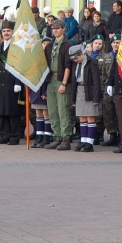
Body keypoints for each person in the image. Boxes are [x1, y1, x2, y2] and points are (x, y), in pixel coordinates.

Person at [0, 20, 26, 145]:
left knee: (13, 111)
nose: (6, 33)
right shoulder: (1, 46)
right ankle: (4, 135)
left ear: (13, 32)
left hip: (12, 82)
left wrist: (18, 82)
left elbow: (20, 65)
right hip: (1, 82)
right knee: (2, 110)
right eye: (4, 31)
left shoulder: (17, 46)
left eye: (8, 31)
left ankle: (15, 136)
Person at [43, 21, 74, 150]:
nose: (55, 30)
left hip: (61, 79)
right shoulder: (50, 45)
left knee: (63, 110)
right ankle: (57, 137)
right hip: (51, 79)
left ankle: (65, 138)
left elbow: (68, 66)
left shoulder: (67, 45)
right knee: (52, 110)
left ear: (63, 29)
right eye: (53, 28)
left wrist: (64, 83)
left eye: (58, 28)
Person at [69, 43, 102, 152]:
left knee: (90, 117)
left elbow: (96, 81)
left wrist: (96, 98)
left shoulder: (92, 62)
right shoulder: (75, 63)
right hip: (79, 89)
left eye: (76, 58)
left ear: (81, 54)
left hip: (89, 91)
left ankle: (89, 143)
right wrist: (73, 99)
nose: (75, 60)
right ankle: (83, 141)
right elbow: (74, 81)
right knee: (82, 117)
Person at [30, 37, 53, 148]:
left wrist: (46, 92)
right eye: (43, 44)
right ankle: (39, 135)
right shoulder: (37, 59)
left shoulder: (50, 60)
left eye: (47, 44)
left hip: (45, 88)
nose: (45, 46)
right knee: (38, 112)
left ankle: (47, 136)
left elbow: (50, 78)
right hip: (36, 89)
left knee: (45, 113)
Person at [97, 35, 119, 146]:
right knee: (108, 113)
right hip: (107, 89)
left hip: (119, 88)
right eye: (114, 42)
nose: (115, 45)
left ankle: (121, 136)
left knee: (119, 113)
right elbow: (102, 74)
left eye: (118, 42)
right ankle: (112, 135)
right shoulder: (106, 57)